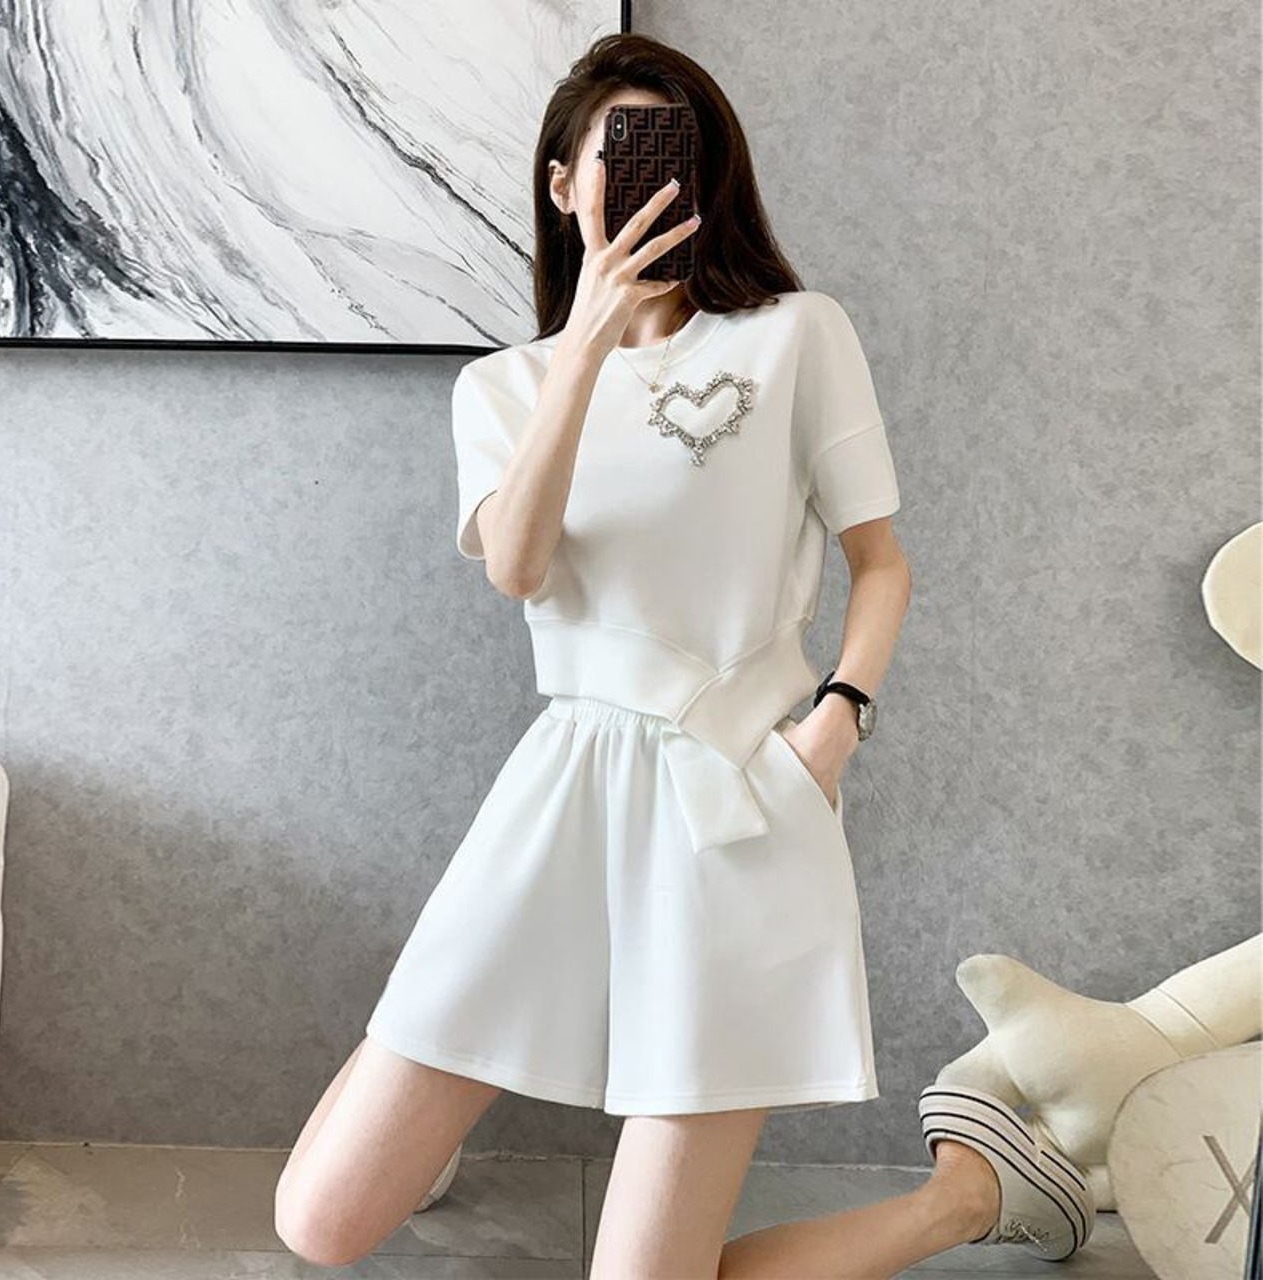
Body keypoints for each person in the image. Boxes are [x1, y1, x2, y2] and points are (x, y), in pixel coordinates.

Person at [274, 32, 1089, 1279]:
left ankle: (964, 1194)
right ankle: (430, 1097)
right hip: (563, 790)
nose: (653, 174)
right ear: (563, 183)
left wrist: (832, 726)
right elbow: (518, 566)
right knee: (317, 1225)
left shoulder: (795, 335)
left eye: (678, 151)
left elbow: (881, 562)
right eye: (623, 151)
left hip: (736, 801)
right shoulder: (501, 387)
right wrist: (583, 346)